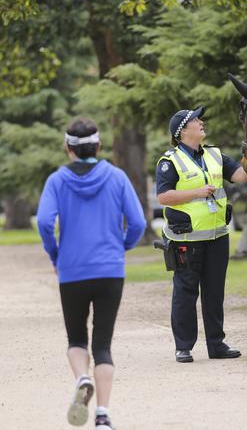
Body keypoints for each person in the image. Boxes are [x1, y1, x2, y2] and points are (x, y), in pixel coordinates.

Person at [37, 118, 146, 429]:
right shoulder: (117, 176)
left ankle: (82, 378)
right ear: (98, 146)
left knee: (76, 339)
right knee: (103, 345)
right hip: (110, 269)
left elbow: (44, 222)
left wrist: (56, 253)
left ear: (68, 148)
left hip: (72, 270)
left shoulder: (57, 180)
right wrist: (121, 247)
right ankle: (102, 416)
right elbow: (137, 223)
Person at [156, 106, 247, 363]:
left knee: (215, 291)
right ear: (182, 131)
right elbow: (163, 196)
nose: (201, 122)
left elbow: (240, 175)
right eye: (196, 120)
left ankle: (216, 345)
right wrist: (197, 192)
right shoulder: (169, 161)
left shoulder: (216, 155)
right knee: (186, 291)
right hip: (186, 238)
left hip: (218, 236)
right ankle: (184, 346)